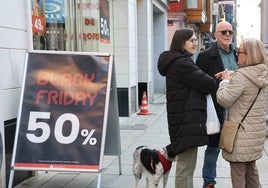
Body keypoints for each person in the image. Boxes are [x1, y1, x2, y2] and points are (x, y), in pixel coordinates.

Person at [157, 28, 217, 188]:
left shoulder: (179, 62)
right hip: (186, 124)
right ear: (181, 42)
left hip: (184, 122)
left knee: (187, 168)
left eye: (196, 40)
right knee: (185, 169)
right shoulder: (182, 64)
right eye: (192, 40)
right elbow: (209, 84)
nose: (195, 44)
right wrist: (222, 79)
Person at [216, 38, 268, 188]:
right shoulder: (263, 73)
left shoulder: (241, 77)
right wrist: (234, 74)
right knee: (251, 171)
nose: (237, 54)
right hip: (255, 133)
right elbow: (248, 81)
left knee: (238, 173)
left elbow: (224, 100)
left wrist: (225, 81)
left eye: (240, 52)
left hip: (240, 135)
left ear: (249, 55)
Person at [196, 20, 238, 188]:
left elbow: (246, 75)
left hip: (237, 108)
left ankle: (239, 181)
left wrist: (232, 75)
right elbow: (199, 81)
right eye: (223, 32)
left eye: (230, 32)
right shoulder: (206, 56)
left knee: (236, 148)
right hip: (216, 107)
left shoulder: (239, 53)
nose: (228, 35)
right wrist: (216, 80)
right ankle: (209, 182)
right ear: (215, 35)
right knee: (213, 147)